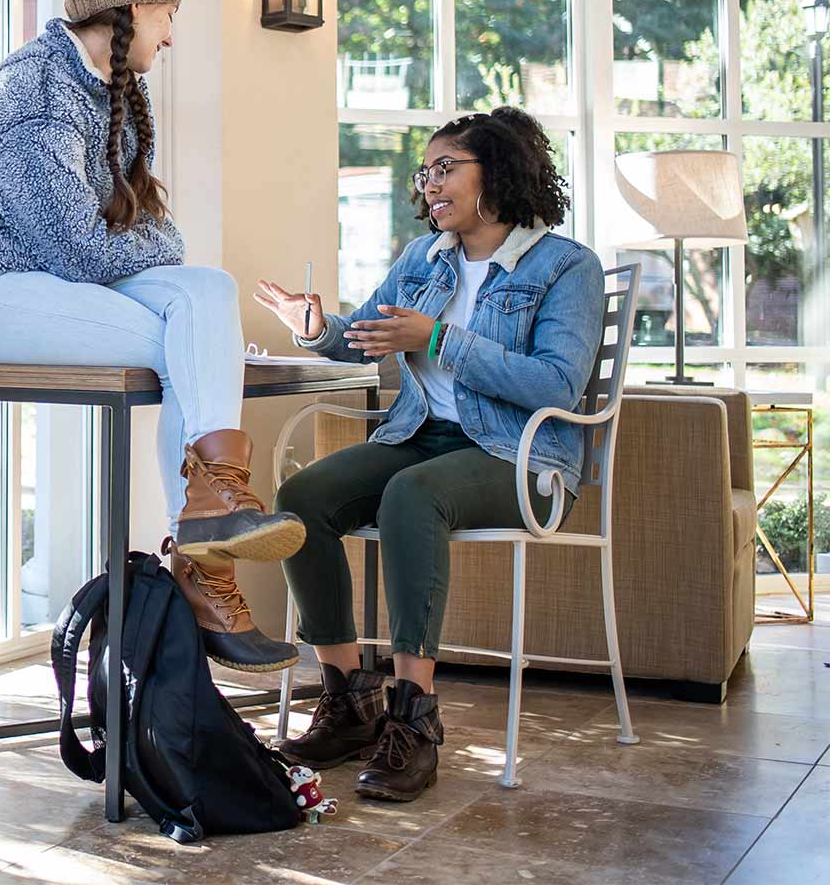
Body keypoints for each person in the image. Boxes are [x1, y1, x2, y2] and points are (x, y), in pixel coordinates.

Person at [0, 0, 302, 674]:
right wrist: (170, 254)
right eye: (166, 16)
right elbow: (81, 248)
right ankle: (207, 562)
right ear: (130, 8)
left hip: (53, 285)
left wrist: (170, 255)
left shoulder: (111, 90)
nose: (170, 35)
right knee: (190, 344)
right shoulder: (35, 92)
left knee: (207, 291)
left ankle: (212, 516)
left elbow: (118, 234)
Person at [254, 106, 604, 801]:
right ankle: (351, 703)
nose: (430, 183)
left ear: (497, 173)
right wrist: (317, 327)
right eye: (427, 170)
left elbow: (556, 383)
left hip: (522, 458)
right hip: (419, 438)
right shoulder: (424, 259)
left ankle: (413, 721)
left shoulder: (567, 267)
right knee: (302, 501)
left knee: (411, 495)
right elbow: (367, 334)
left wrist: (439, 340)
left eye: (447, 168)